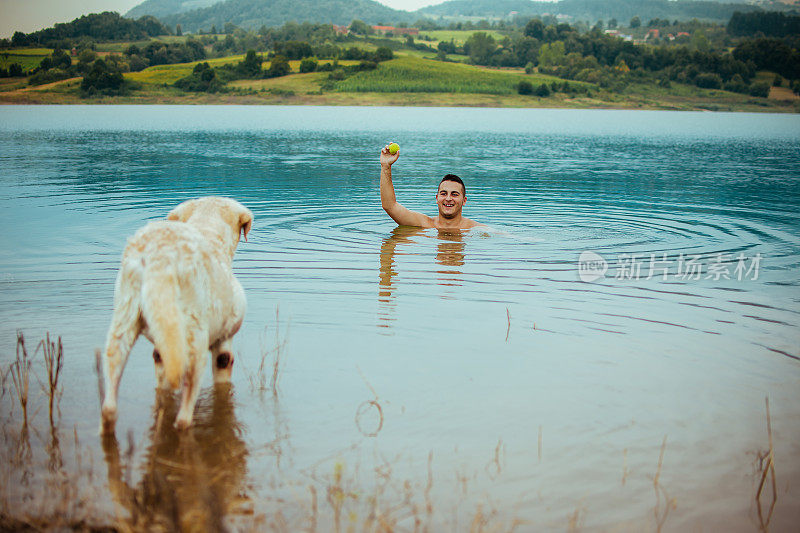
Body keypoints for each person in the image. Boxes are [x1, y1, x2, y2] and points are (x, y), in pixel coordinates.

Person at [380, 144, 482, 229]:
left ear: (464, 200)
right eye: (443, 193)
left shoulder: (476, 229)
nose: (448, 198)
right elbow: (389, 206)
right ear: (437, 198)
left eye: (454, 194)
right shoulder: (424, 224)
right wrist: (386, 167)